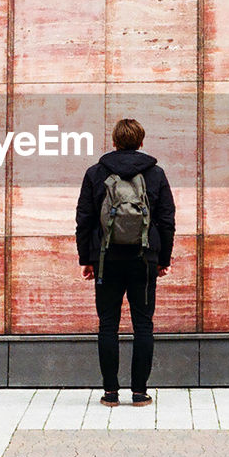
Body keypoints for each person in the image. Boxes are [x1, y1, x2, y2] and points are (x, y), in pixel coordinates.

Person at [75, 118, 175, 408]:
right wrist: (162, 259)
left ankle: (110, 393)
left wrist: (87, 258)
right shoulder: (155, 174)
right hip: (144, 259)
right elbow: (167, 220)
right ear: (141, 142)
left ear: (114, 142)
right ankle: (140, 393)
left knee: (108, 324)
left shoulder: (95, 173)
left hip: (106, 259)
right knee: (143, 325)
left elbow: (84, 219)